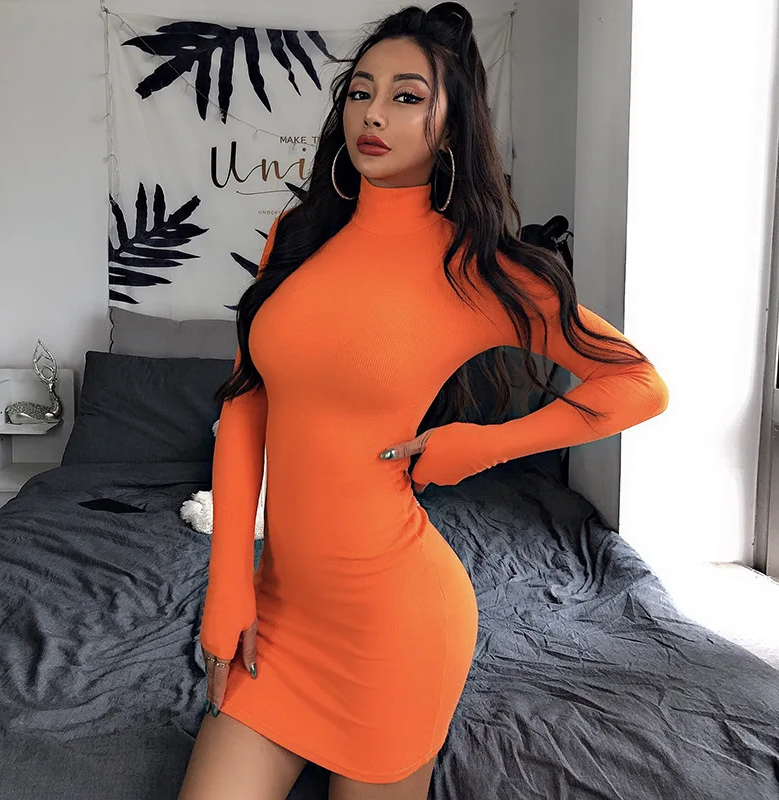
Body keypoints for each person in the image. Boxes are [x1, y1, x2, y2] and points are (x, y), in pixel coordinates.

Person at [178, 4, 670, 799]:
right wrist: (228, 582)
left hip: (395, 623)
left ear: (449, 129)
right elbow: (244, 406)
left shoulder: (478, 269)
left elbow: (640, 384)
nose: (373, 114)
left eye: (407, 96)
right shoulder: (295, 236)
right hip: (280, 612)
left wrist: (482, 444)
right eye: (361, 91)